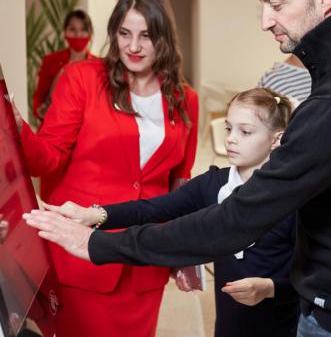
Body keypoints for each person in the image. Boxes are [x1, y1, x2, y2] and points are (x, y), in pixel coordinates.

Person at [23, 0, 331, 336]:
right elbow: (182, 199)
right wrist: (100, 217)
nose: (265, 21)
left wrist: (96, 243)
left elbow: (235, 217)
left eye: (276, 4)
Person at [36, 87, 299, 337]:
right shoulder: (213, 184)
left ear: (277, 139)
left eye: (245, 132)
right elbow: (152, 209)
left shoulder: (293, 197)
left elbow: (311, 277)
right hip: (230, 321)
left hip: (281, 323)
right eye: (229, 128)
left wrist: (271, 288)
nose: (231, 138)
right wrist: (94, 214)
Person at [20, 0, 199, 337]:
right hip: (83, 256)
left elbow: (181, 182)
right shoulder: (83, 78)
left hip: (144, 260)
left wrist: (184, 254)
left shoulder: (184, 98)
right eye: (124, 33)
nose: (133, 46)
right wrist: (16, 128)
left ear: (164, 38)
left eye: (146, 35)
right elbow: (46, 159)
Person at [32, 9, 94, 121]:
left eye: (83, 29)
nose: (78, 34)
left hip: (87, 128)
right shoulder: (50, 61)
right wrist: (41, 109)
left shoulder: (98, 65)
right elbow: (39, 98)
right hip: (56, 125)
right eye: (72, 29)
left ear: (90, 33)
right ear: (64, 32)